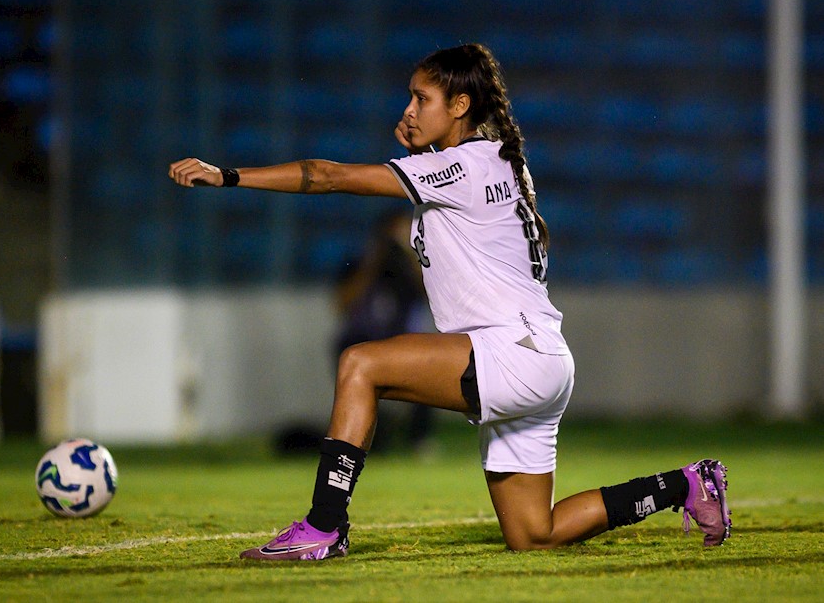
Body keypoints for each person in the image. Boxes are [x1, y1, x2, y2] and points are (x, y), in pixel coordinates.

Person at [169, 43, 731, 561]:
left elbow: (329, 175)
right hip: (542, 358)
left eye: (421, 98)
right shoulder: (499, 165)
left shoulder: (460, 166)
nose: (409, 109)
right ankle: (685, 484)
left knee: (361, 365)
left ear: (460, 104)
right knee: (534, 535)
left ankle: (324, 526)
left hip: (510, 353)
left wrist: (230, 176)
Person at [333, 209, 434, 452]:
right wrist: (373, 260)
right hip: (365, 339)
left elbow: (431, 297)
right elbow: (343, 304)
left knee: (428, 366)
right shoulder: (362, 264)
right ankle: (365, 438)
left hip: (405, 339)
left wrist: (410, 255)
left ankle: (418, 438)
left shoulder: (415, 268)